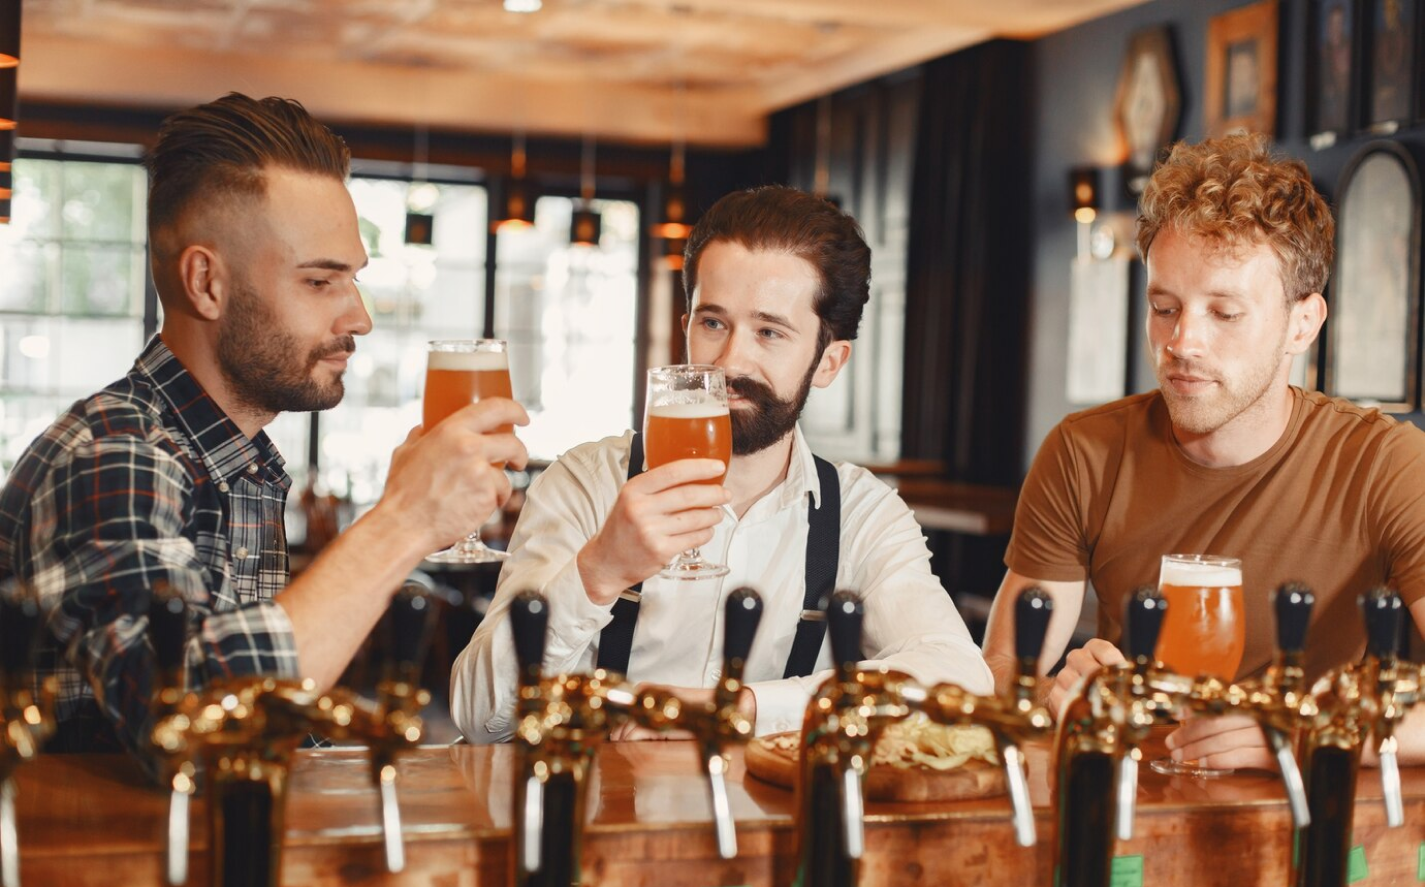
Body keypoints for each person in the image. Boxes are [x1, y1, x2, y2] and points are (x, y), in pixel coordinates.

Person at [0, 93, 528, 762]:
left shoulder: (240, 461)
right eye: (318, 282)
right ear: (206, 283)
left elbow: (272, 717)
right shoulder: (118, 453)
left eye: (352, 280)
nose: (359, 317)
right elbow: (190, 730)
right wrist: (403, 520)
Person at [451, 185, 991, 743]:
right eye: (713, 323)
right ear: (686, 325)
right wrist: (599, 571)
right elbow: (479, 719)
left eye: (769, 332)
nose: (731, 361)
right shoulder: (586, 484)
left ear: (829, 361)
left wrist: (740, 708)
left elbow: (960, 680)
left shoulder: (861, 514)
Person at [982, 133, 1425, 769]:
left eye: (1224, 313)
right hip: (1133, 805)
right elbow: (1000, 668)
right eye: (1164, 307)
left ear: (1303, 322)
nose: (1182, 342)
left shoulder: (1386, 464)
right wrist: (1052, 697)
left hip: (1302, 821)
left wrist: (1301, 732)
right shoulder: (1085, 452)